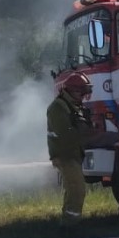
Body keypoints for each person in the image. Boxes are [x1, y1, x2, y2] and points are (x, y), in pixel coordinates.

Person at [47, 71, 95, 229]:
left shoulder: (72, 106)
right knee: (77, 190)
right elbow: (67, 134)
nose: (83, 97)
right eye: (81, 93)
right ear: (72, 91)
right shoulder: (58, 107)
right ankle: (70, 225)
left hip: (72, 154)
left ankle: (69, 223)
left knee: (74, 189)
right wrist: (89, 134)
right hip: (65, 155)